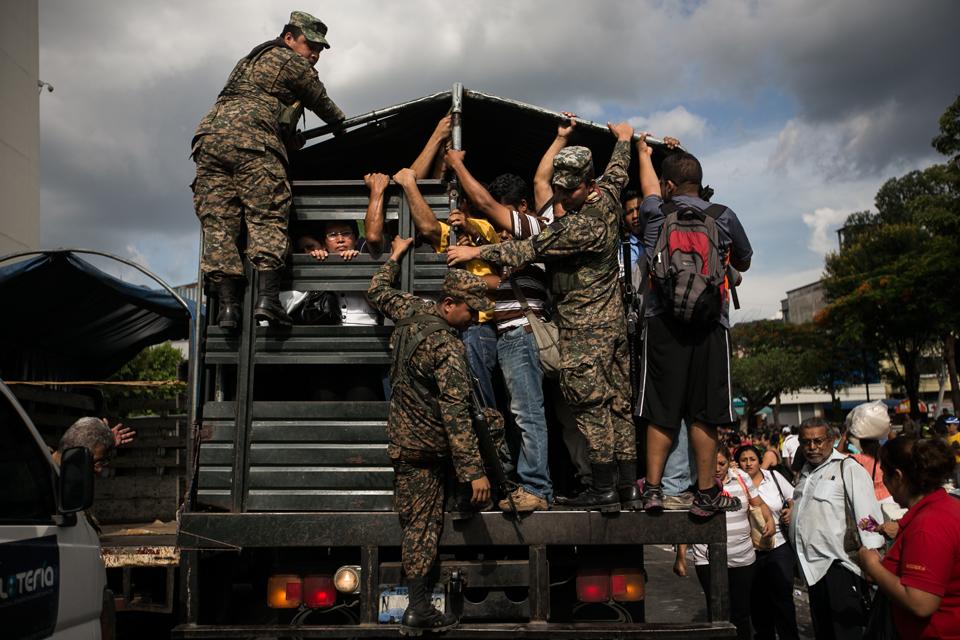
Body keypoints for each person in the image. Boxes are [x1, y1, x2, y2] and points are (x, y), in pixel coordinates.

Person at [448, 122, 639, 511]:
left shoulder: (578, 226)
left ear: (589, 184)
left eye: (569, 190)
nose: (561, 196)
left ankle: (603, 491)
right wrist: (623, 140)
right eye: (559, 188)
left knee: (592, 408)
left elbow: (526, 250)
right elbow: (618, 170)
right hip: (612, 327)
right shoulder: (608, 196)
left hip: (587, 331)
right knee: (617, 405)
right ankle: (627, 487)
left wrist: (475, 255)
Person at [367, 235, 493, 634]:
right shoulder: (447, 347)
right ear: (450, 304)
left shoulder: (411, 309)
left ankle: (419, 605)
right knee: (491, 422)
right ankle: (466, 498)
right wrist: (475, 472)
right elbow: (456, 413)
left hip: (403, 443)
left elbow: (376, 291)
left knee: (417, 525)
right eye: (471, 311)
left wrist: (395, 255)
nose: (474, 319)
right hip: (432, 447)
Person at [191, 11, 345, 330]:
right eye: (309, 45)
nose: (314, 55)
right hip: (252, 142)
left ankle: (229, 309)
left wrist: (288, 138)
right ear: (289, 38)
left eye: (319, 49)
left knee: (219, 224)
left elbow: (264, 104)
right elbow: (320, 100)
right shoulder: (287, 58)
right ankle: (268, 301)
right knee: (268, 214)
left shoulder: (250, 61)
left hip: (209, 140)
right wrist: (340, 123)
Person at [635, 133, 753, 517]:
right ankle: (705, 494)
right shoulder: (724, 215)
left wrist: (643, 152)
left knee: (661, 409)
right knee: (705, 412)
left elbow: (650, 188)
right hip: (710, 324)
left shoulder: (655, 213)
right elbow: (745, 261)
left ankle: (653, 490)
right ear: (700, 184)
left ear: (668, 186)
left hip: (662, 323)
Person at [443, 159, 555, 512]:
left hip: (522, 332)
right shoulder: (511, 248)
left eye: (504, 215)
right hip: (510, 335)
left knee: (528, 413)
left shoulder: (538, 232)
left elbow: (489, 205)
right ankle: (528, 483)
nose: (499, 224)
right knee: (520, 412)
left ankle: (537, 487)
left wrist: (458, 166)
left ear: (522, 209)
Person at [785, 417, 884, 639]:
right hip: (812, 569)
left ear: (832, 440)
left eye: (818, 441)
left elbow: (868, 518)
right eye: (806, 442)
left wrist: (871, 560)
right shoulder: (806, 474)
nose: (812, 447)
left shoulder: (847, 469)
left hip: (841, 568)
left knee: (845, 633)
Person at [857, 437, 960, 639]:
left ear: (898, 477)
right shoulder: (944, 508)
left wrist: (873, 566)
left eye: (885, 474)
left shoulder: (928, 526)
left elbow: (921, 602)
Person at [674, 446, 774, 640]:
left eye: (722, 463)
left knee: (741, 613)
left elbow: (758, 504)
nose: (717, 468)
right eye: (712, 464)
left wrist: (769, 520)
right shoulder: (696, 485)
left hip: (743, 558)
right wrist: (680, 557)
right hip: (707, 560)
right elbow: (688, 525)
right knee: (717, 612)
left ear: (729, 462)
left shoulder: (742, 478)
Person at [735, 445, 799, 640]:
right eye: (743, 460)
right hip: (750, 549)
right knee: (758, 600)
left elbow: (794, 496)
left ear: (759, 460)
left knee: (783, 596)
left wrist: (790, 510)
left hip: (778, 544)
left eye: (752, 459)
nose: (748, 463)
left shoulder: (773, 477)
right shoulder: (735, 481)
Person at [946, 416, 960, 488]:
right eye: (946, 425)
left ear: (956, 425)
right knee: (955, 485)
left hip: (959, 464)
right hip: (952, 464)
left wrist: (956, 449)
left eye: (949, 425)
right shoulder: (948, 437)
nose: (947, 427)